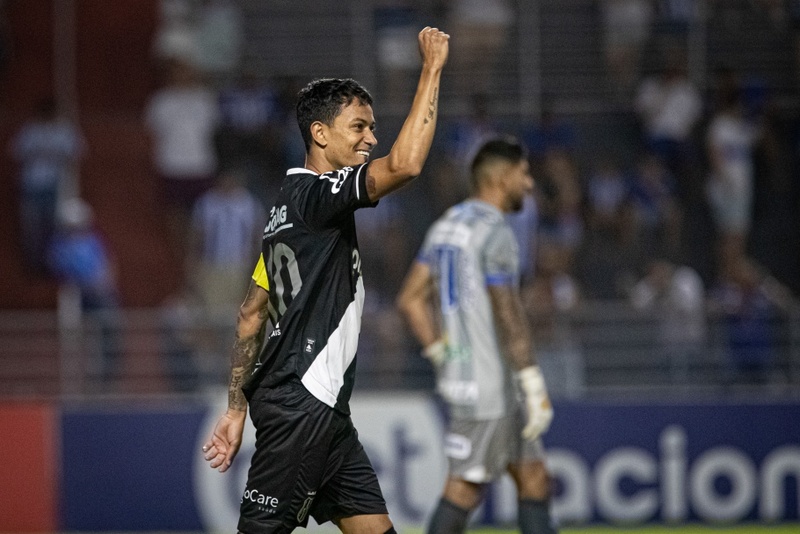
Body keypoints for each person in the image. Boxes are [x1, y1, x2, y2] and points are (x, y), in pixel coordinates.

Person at [201, 26, 450, 534]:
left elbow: (250, 313)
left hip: (324, 413)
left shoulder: (282, 215)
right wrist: (431, 70)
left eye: (373, 127)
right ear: (320, 134)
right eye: (359, 126)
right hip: (301, 404)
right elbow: (405, 164)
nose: (371, 138)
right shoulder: (319, 198)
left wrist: (234, 408)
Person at [396, 137, 557, 534]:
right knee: (464, 489)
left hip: (481, 379)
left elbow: (410, 300)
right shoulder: (496, 233)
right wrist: (533, 380)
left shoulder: (447, 226)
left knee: (534, 478)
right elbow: (508, 313)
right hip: (490, 388)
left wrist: (440, 352)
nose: (530, 183)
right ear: (502, 178)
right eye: (524, 174)